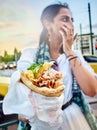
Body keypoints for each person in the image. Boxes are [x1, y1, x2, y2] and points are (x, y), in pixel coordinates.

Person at [3, 2, 97, 130]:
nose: (71, 24)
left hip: (72, 117)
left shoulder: (75, 55)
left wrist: (69, 51)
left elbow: (91, 90)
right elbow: (25, 85)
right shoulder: (32, 55)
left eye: (72, 20)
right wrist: (24, 107)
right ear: (47, 24)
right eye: (64, 19)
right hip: (43, 122)